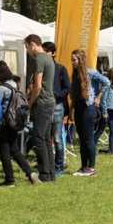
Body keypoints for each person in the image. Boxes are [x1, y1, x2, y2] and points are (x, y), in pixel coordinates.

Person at [0, 60, 39, 186]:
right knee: (14, 150)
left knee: (3, 151)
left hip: (3, 123)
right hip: (14, 121)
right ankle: (30, 173)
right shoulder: (14, 84)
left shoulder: (1, 88)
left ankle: (9, 179)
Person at [69, 49, 110, 177]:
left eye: (74, 60)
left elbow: (107, 82)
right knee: (81, 139)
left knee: (88, 139)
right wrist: (71, 109)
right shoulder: (75, 74)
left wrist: (98, 97)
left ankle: (91, 168)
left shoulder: (90, 72)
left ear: (80, 60)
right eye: (72, 60)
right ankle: (83, 166)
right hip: (79, 108)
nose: (72, 62)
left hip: (89, 108)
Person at [25, 35, 57, 182]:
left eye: (27, 47)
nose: (27, 51)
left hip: (42, 103)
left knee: (39, 138)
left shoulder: (39, 59)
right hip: (50, 102)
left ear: (32, 45)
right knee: (45, 139)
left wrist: (29, 103)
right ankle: (50, 173)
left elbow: (37, 86)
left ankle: (44, 174)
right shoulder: (48, 58)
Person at [42, 42, 71, 177]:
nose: (44, 53)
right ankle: (47, 165)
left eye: (46, 51)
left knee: (57, 138)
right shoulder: (40, 68)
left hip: (57, 106)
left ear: (53, 53)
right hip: (43, 106)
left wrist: (56, 94)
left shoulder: (60, 69)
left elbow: (67, 88)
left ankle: (59, 166)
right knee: (45, 137)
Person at [97, 68, 113, 154]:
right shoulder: (107, 84)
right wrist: (104, 112)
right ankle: (93, 145)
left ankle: (111, 149)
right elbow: (103, 99)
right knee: (100, 130)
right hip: (108, 111)